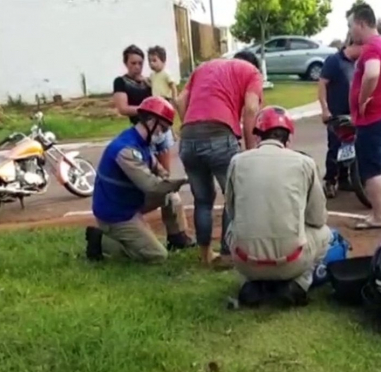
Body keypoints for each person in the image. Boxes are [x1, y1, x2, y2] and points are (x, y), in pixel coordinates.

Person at [224, 106, 332, 307]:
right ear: (288, 138)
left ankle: (251, 283)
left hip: (245, 261)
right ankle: (299, 284)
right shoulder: (304, 163)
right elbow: (317, 219)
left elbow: (231, 212)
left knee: (233, 228)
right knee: (325, 233)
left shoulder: (237, 162)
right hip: (292, 260)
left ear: (257, 136)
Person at [175, 51, 262, 268]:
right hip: (220, 134)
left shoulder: (204, 67)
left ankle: (205, 254)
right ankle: (226, 254)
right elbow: (251, 109)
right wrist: (250, 150)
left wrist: (190, 127)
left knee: (202, 200)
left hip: (189, 138)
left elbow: (180, 100)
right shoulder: (251, 72)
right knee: (233, 197)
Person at [85, 97, 193, 263]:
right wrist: (184, 180)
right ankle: (100, 241)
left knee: (171, 197)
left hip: (128, 202)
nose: (163, 134)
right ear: (150, 122)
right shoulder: (126, 150)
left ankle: (177, 238)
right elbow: (152, 186)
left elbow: (158, 169)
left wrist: (166, 178)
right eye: (163, 129)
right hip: (116, 214)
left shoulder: (141, 142)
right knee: (157, 255)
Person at [112, 44, 192, 244]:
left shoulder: (149, 82)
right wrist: (150, 110)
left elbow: (167, 92)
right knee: (146, 179)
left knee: (164, 174)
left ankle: (176, 232)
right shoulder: (121, 82)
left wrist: (163, 121)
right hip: (141, 131)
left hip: (155, 130)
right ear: (126, 63)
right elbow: (122, 108)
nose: (137, 67)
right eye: (133, 63)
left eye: (140, 63)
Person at [347, 4, 381, 230]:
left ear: (361, 23)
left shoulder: (372, 48)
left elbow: (372, 74)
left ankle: (378, 216)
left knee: (370, 169)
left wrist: (362, 100)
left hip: (373, 119)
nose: (350, 32)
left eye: (351, 26)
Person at [318, 41, 362, 198]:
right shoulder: (334, 61)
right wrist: (325, 109)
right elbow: (322, 85)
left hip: (354, 112)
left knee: (351, 146)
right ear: (353, 45)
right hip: (336, 113)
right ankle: (330, 180)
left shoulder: (358, 63)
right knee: (335, 147)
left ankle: (345, 179)